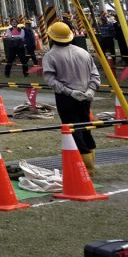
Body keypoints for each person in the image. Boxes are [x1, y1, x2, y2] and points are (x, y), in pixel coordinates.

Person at [42, 21, 101, 174]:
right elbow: (95, 75)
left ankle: (85, 167)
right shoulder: (83, 52)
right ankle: (91, 162)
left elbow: (51, 80)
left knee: (74, 130)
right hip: (86, 97)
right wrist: (91, 90)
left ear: (51, 37)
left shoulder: (50, 56)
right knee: (86, 127)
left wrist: (69, 92)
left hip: (66, 98)